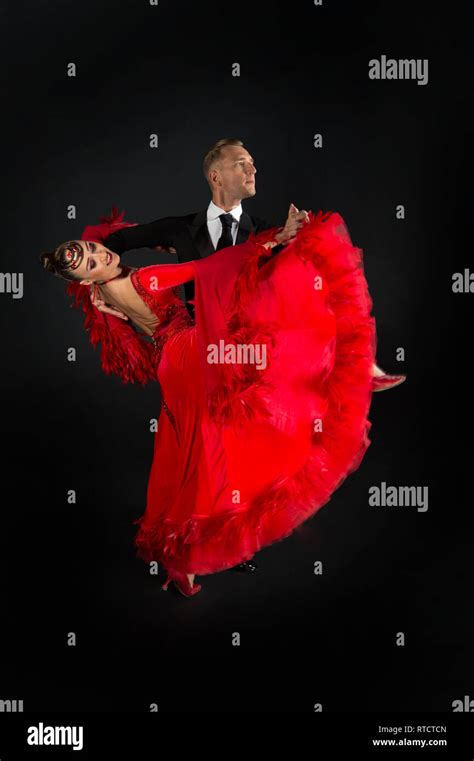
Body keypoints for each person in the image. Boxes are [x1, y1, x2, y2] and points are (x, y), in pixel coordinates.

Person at [40, 206, 383, 597]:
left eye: (93, 248)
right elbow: (209, 268)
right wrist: (275, 239)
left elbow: (116, 301)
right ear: (85, 280)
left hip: (172, 365)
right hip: (190, 353)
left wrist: (109, 284)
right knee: (266, 335)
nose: (101, 255)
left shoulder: (100, 295)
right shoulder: (146, 278)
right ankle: (349, 369)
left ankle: (185, 560)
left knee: (199, 452)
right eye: (92, 261)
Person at [94, 138, 406, 395]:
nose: (253, 168)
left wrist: (299, 237)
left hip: (255, 351)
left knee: (313, 250)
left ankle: (354, 360)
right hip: (204, 350)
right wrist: (98, 288)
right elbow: (111, 241)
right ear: (216, 177)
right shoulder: (179, 229)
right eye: (241, 163)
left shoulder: (267, 232)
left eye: (253, 162)